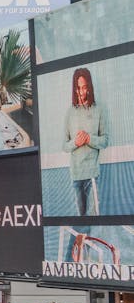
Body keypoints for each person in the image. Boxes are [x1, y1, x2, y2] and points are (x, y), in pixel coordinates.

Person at [63, 67, 108, 216]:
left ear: (89, 86)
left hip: (92, 174)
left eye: (84, 87)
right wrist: (75, 142)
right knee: (80, 219)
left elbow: (105, 141)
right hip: (75, 176)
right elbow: (64, 145)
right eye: (78, 88)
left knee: (94, 216)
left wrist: (89, 139)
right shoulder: (70, 112)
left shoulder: (99, 109)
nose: (81, 92)